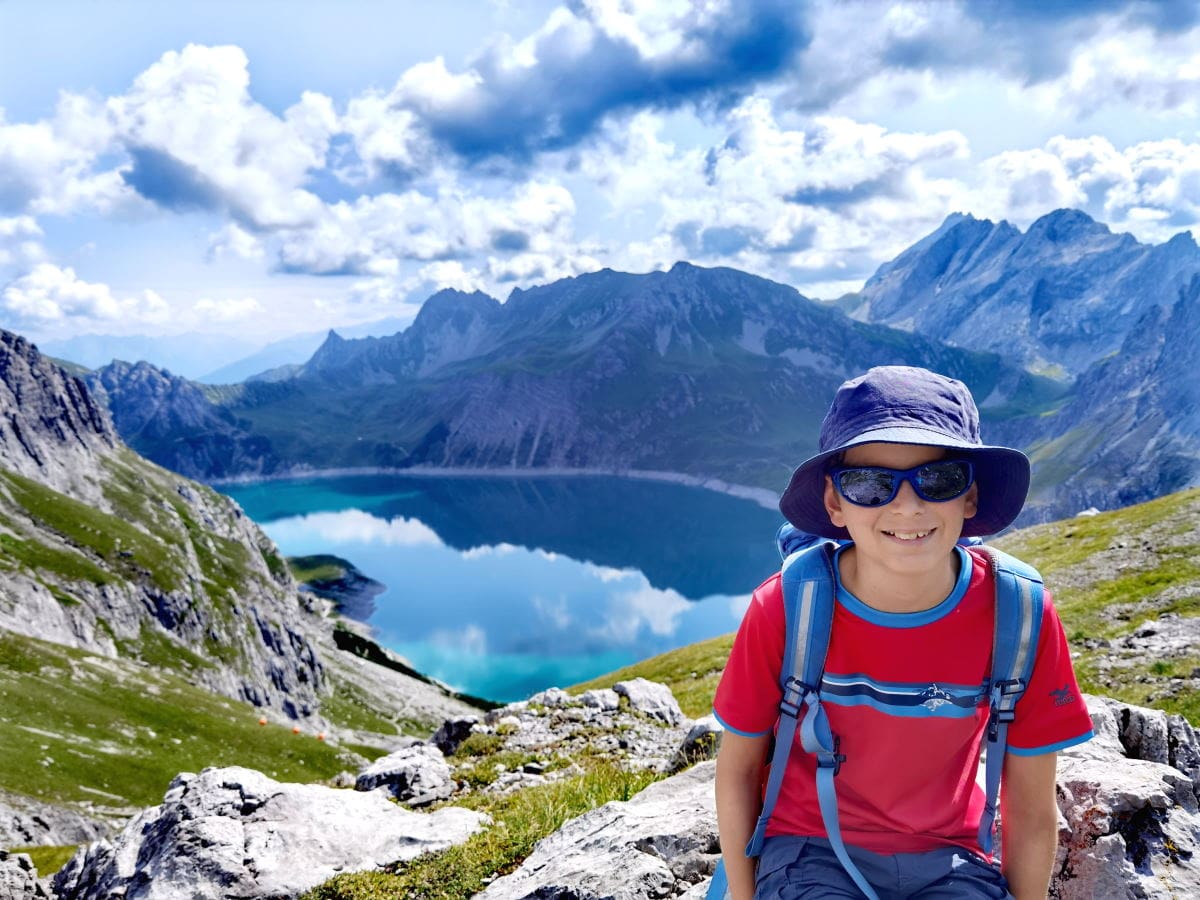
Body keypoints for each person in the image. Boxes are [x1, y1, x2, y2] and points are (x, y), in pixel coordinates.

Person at [713, 366, 1094, 899]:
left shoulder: (1021, 613)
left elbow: (1031, 805)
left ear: (970, 497)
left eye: (938, 480)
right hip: (808, 849)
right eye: (870, 484)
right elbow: (738, 768)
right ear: (834, 503)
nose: (907, 506)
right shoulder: (785, 605)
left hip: (952, 860)